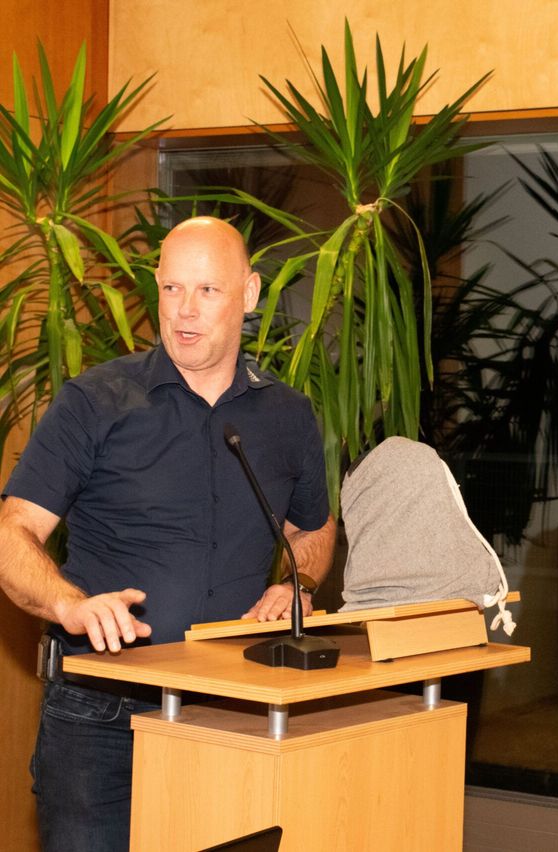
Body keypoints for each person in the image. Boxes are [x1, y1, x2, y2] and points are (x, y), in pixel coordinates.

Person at [0, 216, 336, 851]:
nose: (184, 310)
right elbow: (12, 531)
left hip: (230, 706)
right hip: (98, 713)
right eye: (172, 288)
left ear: (251, 294)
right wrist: (70, 603)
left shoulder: (287, 415)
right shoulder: (94, 401)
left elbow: (313, 528)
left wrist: (302, 581)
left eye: (207, 291)